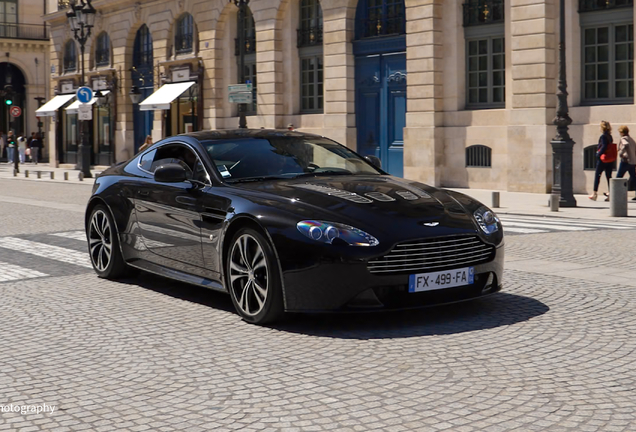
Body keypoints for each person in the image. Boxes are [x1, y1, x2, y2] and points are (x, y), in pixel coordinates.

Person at [589, 120, 615, 201]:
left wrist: (598, 154)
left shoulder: (603, 136)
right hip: (609, 159)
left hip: (603, 159)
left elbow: (604, 146)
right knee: (609, 176)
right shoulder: (610, 136)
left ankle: (594, 193)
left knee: (597, 175)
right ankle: (611, 194)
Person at [616, 125, 636, 201]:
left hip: (625, 161)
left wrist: (621, 153)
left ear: (621, 132)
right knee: (634, 177)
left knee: (618, 177)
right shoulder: (632, 140)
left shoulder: (624, 138)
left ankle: (614, 193)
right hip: (633, 162)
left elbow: (625, 145)